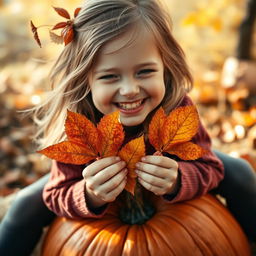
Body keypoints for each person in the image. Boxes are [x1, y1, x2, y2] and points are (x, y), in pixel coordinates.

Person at [0, 0, 256, 255]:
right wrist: (90, 194)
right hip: (101, 198)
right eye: (110, 76)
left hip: (169, 189)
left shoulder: (177, 109)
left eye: (144, 72)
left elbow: (209, 167)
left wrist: (178, 180)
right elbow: (58, 193)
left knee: (239, 172)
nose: (130, 90)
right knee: (25, 205)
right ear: (85, 79)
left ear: (165, 67)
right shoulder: (79, 123)